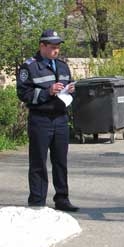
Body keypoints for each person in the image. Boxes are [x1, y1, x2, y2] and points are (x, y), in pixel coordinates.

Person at [16, 29, 79, 212]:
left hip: (60, 119)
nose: (56, 50)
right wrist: (47, 92)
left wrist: (72, 90)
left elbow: (70, 86)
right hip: (40, 120)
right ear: (42, 46)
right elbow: (23, 93)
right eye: (52, 47)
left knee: (61, 161)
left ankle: (62, 199)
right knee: (38, 162)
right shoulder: (29, 67)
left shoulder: (62, 66)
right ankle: (37, 202)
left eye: (58, 47)